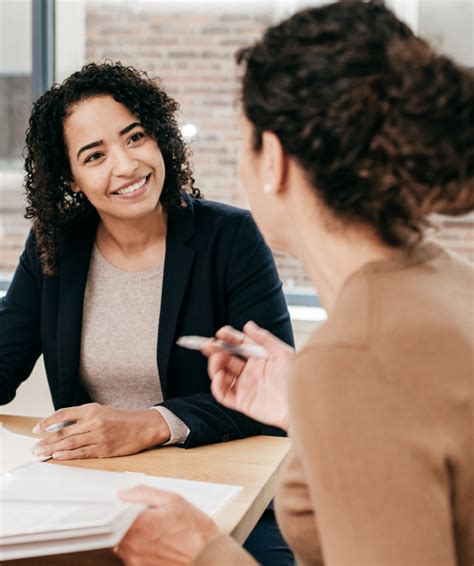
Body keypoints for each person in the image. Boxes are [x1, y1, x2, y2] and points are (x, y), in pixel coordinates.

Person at [114, 1, 474, 565]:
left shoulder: (360, 358)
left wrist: (202, 552)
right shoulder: (450, 286)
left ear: (273, 160)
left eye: (243, 141)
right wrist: (305, 401)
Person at [0, 62, 295, 564]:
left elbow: (269, 395)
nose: (127, 165)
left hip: (227, 489)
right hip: (90, 491)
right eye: (95, 155)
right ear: (70, 179)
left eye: (134, 137)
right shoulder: (56, 247)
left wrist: (152, 424)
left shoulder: (231, 239)